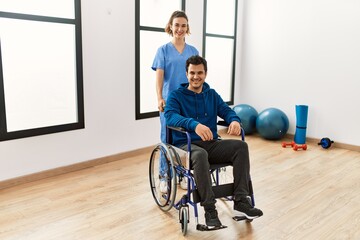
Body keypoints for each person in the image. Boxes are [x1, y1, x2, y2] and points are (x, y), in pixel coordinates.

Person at [164, 55, 263, 227]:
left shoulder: (211, 94)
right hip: (185, 145)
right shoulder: (176, 96)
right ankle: (210, 210)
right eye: (192, 73)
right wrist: (194, 125)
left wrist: (234, 121)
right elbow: (170, 117)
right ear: (186, 74)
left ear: (206, 73)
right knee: (200, 155)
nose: (196, 77)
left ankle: (241, 202)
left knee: (241, 146)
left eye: (200, 73)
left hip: (210, 143)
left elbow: (226, 111)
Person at [152, 10, 199, 191]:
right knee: (167, 138)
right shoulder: (163, 51)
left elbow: (197, 76)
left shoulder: (193, 51)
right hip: (169, 102)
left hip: (188, 100)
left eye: (183, 25)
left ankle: (185, 174)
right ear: (170, 27)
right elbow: (159, 77)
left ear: (187, 28)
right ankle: (164, 176)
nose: (180, 29)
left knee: (189, 139)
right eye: (177, 25)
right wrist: (159, 98)